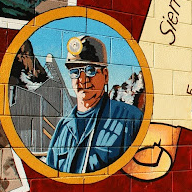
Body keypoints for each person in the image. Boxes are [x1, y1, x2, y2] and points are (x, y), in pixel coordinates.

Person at [46, 36, 143, 173]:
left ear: (105, 75)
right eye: (75, 72)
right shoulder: (63, 127)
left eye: (90, 70)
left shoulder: (130, 119)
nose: (82, 80)